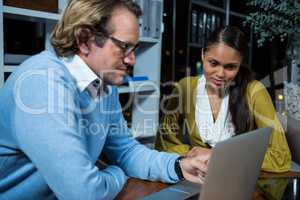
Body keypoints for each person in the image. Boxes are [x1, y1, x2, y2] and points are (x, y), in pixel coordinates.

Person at [0, 1, 209, 199]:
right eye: (123, 46)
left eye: (134, 49)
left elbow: (126, 151)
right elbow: (84, 194)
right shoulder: (43, 82)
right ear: (84, 40)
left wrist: (180, 165)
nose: (131, 59)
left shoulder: (103, 85)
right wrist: (117, 172)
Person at [155, 26, 291, 173]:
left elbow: (280, 158)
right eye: (213, 63)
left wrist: (216, 155)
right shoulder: (186, 87)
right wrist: (192, 153)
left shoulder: (254, 91)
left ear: (240, 64)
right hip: (199, 177)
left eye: (230, 67)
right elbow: (164, 142)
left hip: (240, 179)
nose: (220, 74)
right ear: (203, 55)